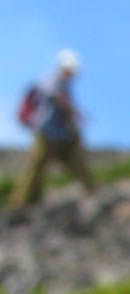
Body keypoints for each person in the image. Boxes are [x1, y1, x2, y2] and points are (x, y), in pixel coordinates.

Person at [10, 49, 94, 208]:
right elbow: (56, 99)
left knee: (74, 162)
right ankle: (21, 202)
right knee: (36, 166)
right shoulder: (53, 79)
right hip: (46, 132)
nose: (72, 75)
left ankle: (92, 191)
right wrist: (75, 114)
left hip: (62, 135)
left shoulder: (64, 85)